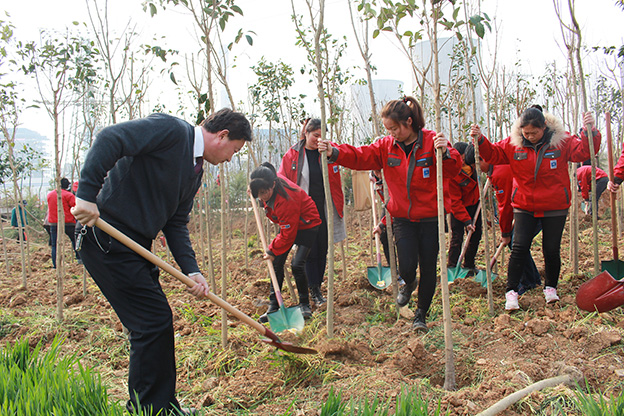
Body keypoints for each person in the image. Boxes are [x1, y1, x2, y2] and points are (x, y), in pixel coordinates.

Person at [71, 108, 252, 415]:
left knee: (156, 322)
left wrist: (192, 270)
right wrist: (86, 194)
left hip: (135, 246)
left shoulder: (195, 171)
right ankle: (151, 409)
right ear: (222, 136)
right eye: (233, 151)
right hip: (107, 237)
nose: (230, 159)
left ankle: (160, 406)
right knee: (151, 322)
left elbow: (177, 223)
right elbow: (111, 138)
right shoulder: (171, 131)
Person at [318, 96, 461, 331]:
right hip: (402, 216)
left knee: (428, 266)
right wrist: (335, 152)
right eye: (388, 129)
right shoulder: (386, 147)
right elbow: (360, 156)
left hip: (430, 217)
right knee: (405, 264)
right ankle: (408, 282)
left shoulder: (431, 142)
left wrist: (445, 153)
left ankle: (421, 315)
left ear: (409, 122)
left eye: (394, 128)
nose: (391, 133)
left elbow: (454, 169)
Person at [471, 106, 601, 311]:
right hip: (524, 204)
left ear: (544, 127)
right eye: (526, 133)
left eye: (534, 132)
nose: (529, 136)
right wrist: (480, 140)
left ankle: (551, 288)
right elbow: (493, 154)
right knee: (519, 246)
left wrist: (589, 132)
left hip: (555, 205)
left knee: (551, 248)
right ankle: (511, 292)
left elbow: (584, 151)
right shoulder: (514, 144)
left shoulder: (561, 141)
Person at [278, 118, 346, 307]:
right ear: (306, 133)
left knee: (322, 249)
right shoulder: (293, 155)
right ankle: (310, 289)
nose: (319, 140)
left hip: (324, 209)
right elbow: (281, 178)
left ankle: (317, 287)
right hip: (303, 211)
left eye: (322, 136)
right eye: (315, 135)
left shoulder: (328, 153)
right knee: (307, 249)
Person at [250, 162, 321, 322]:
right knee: (276, 263)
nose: (262, 197)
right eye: (258, 193)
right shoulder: (268, 182)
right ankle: (273, 306)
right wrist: (253, 190)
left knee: (297, 265)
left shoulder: (286, 199)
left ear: (273, 185)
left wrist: (271, 249)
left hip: (308, 224)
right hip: (290, 225)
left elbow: (289, 234)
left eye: (264, 192)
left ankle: (304, 305)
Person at [478, 159, 541, 294]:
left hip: (536, 207)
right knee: (518, 244)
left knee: (516, 243)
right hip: (527, 206)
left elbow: (505, 205)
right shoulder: (496, 170)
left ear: (484, 159)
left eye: (478, 164)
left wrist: (505, 233)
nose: (478, 169)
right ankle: (533, 279)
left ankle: (528, 282)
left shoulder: (501, 173)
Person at [447, 143, 481, 276]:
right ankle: (452, 266)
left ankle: (469, 265)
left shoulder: (474, 167)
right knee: (457, 237)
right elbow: (455, 202)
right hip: (458, 209)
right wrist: (466, 221)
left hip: (474, 205)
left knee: (476, 235)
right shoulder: (453, 173)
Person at [46, 177, 80, 268]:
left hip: (53, 222)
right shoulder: (69, 195)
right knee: (76, 240)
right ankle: (79, 258)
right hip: (68, 222)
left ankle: (55, 264)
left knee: (54, 245)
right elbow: (75, 207)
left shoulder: (50, 195)